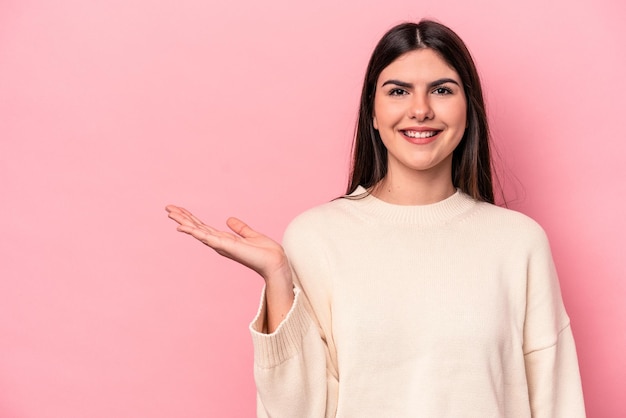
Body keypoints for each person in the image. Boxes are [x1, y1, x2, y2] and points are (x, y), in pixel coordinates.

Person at [166, 19, 586, 417]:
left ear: (468, 109)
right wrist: (279, 277)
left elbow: (556, 400)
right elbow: (297, 411)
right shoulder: (318, 237)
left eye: (441, 90)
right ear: (372, 112)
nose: (420, 110)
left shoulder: (518, 243)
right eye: (398, 92)